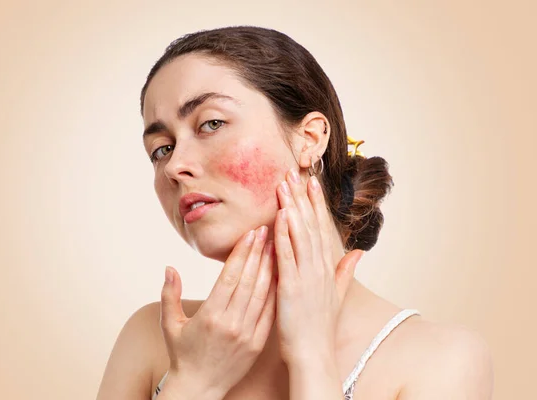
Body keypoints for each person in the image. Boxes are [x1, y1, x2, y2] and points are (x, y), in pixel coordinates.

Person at [96, 26, 493, 400]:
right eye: (161, 148)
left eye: (211, 123)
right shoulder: (150, 338)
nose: (174, 166)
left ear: (310, 138)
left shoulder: (442, 360)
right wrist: (194, 380)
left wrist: (312, 356)